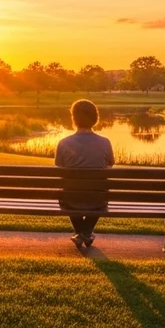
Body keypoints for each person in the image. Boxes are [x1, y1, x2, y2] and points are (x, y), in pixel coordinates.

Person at [55, 99, 114, 247]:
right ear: (95, 118)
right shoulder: (105, 142)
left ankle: (81, 234)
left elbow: (59, 166)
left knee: (66, 195)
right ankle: (86, 233)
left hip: (70, 199)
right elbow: (110, 165)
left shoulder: (63, 143)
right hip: (98, 200)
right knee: (101, 197)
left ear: (74, 119)